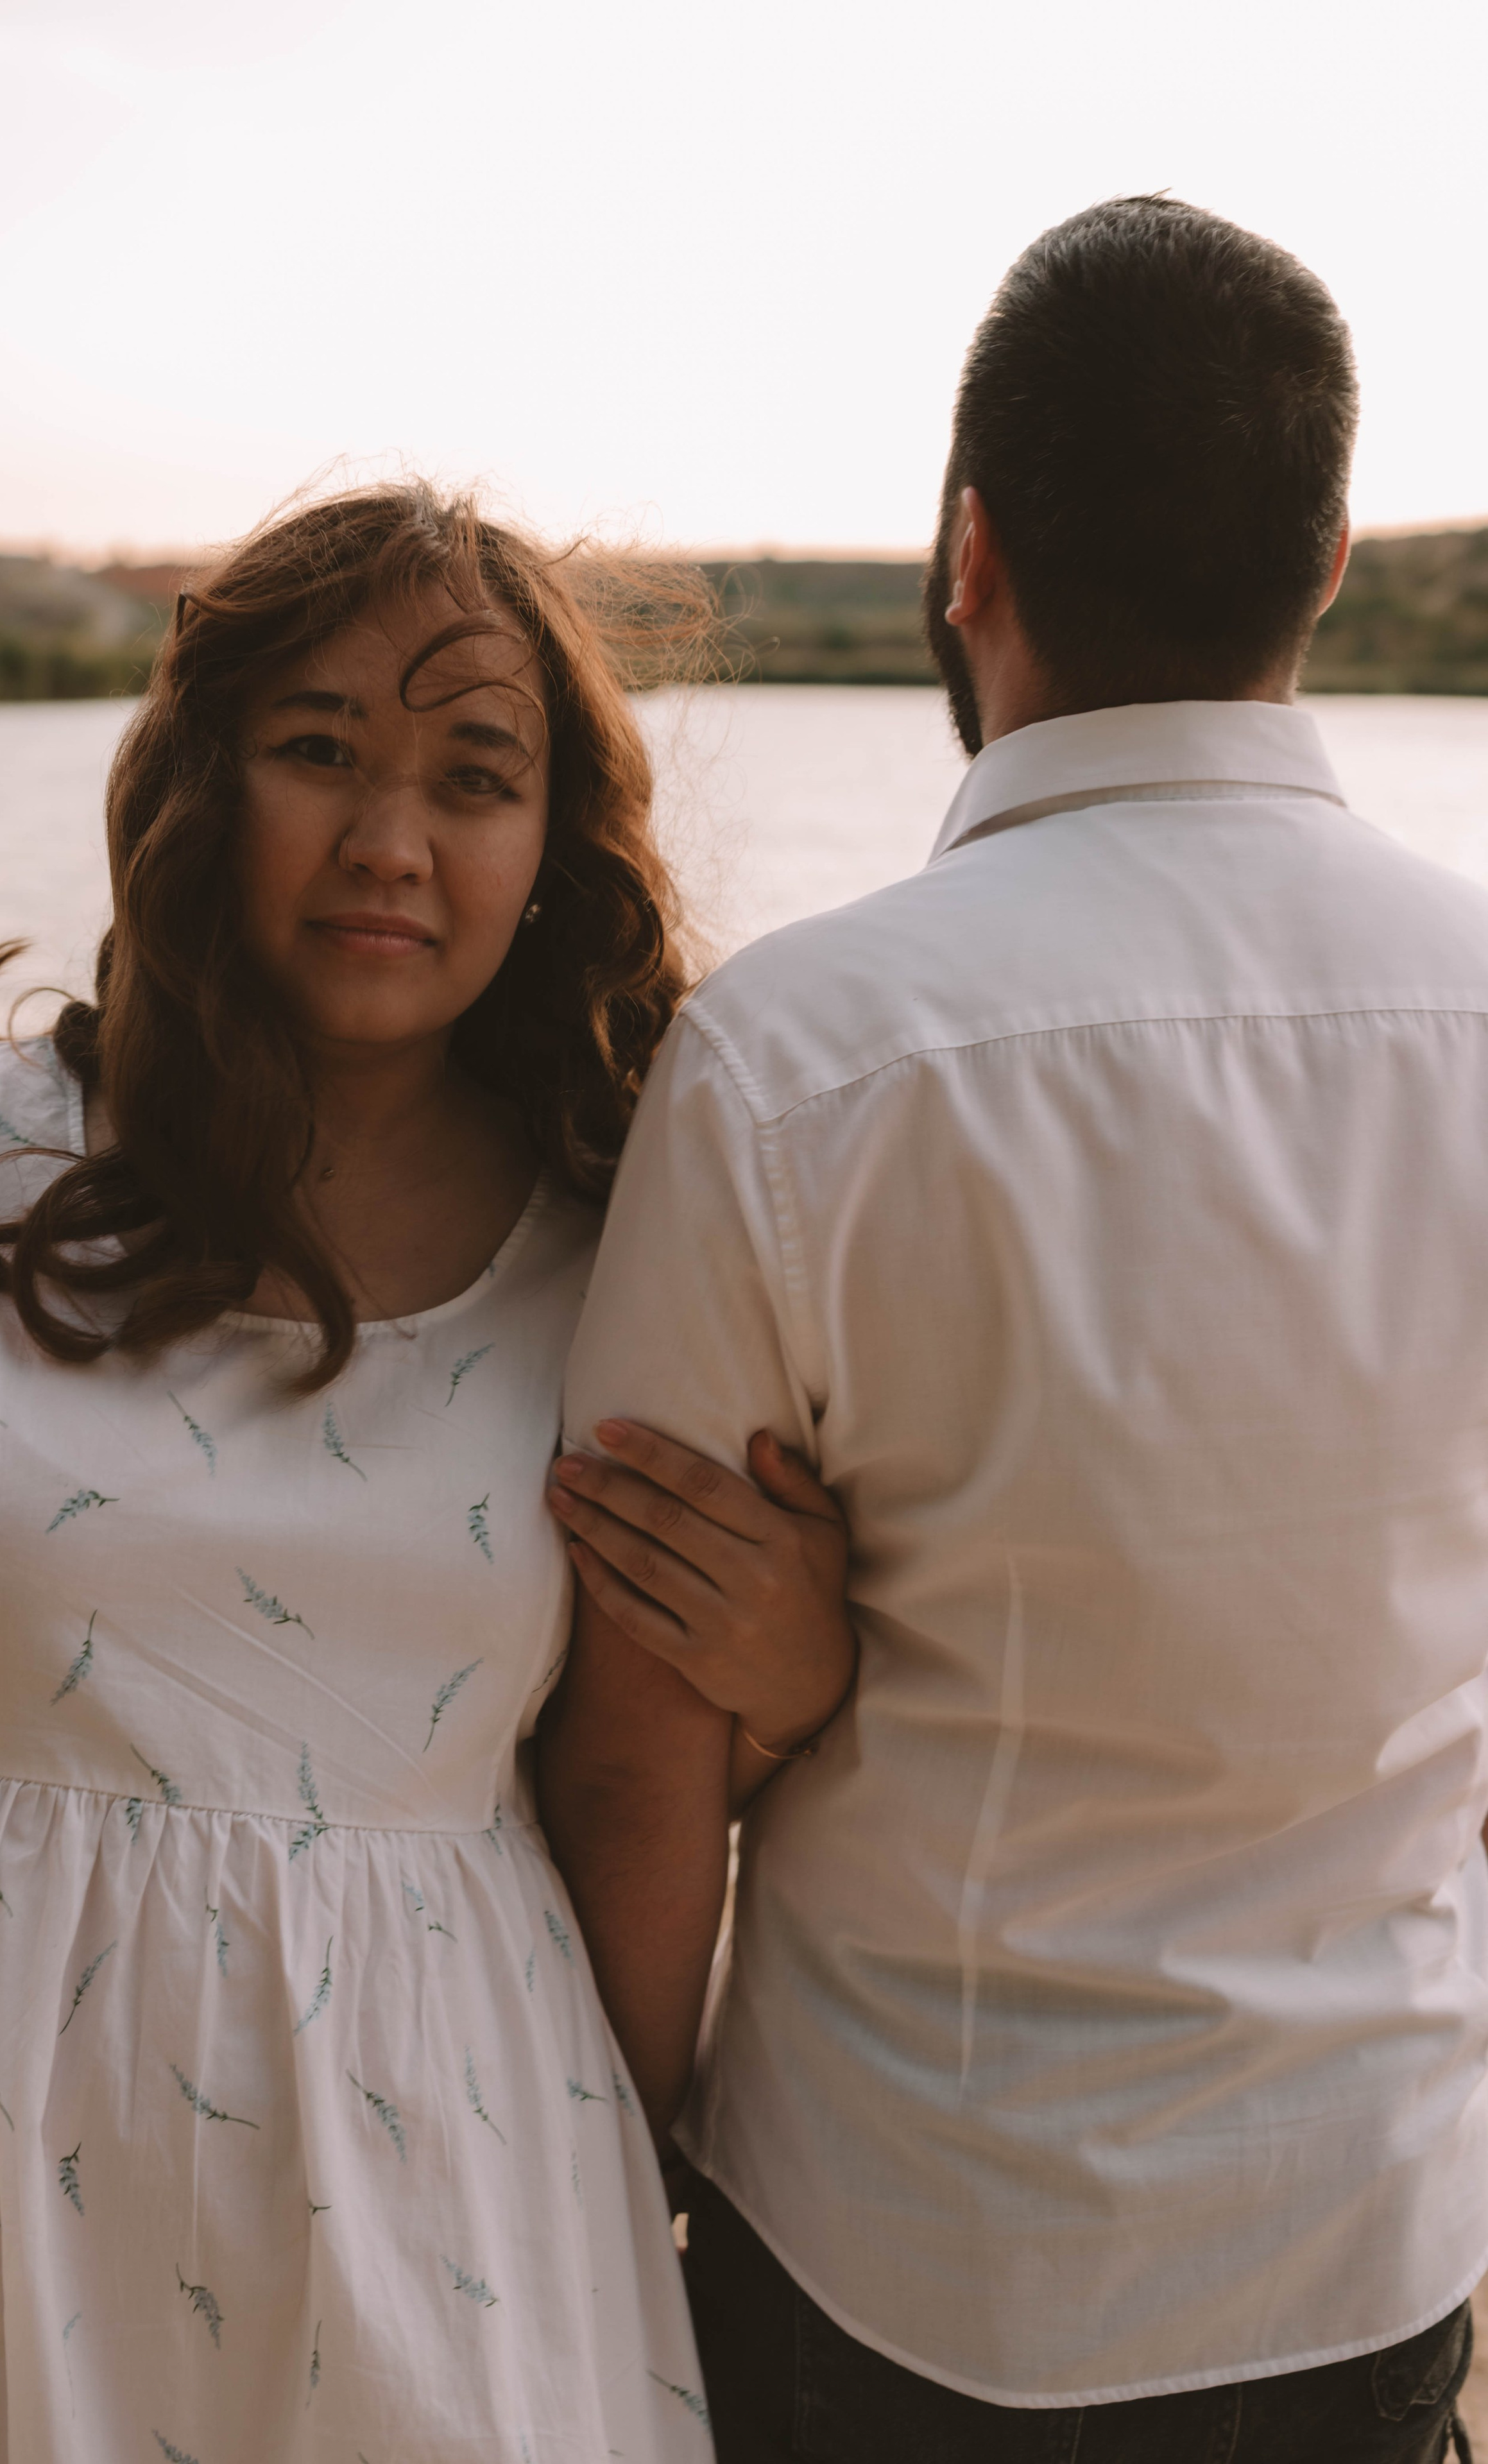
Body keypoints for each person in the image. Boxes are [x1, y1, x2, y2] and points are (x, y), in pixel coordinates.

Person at [539, 200, 1488, 2461]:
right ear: (1332, 555)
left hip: (906, 2258)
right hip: (1364, 2234)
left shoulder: (795, 1060)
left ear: (969, 554)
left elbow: (640, 1743)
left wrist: (603, 2177)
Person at [0, 482, 841, 2462]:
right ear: (202, 780)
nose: (390, 843)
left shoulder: (633, 1250)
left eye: (475, 777)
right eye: (320, 753)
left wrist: (803, 1675)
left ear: (551, 845)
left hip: (445, 2180)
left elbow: (660, 1774)